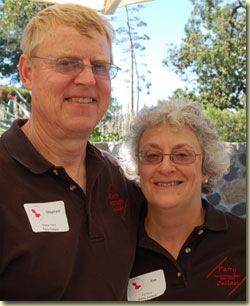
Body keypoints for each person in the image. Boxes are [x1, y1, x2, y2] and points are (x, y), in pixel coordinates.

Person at [0, 4, 144, 301]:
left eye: (100, 66)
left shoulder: (119, 179)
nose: (88, 79)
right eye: (67, 63)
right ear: (27, 72)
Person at [119, 99, 246, 301]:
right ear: (139, 168)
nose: (166, 167)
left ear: (206, 169)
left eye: (182, 155)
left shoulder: (242, 240)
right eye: (152, 155)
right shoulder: (116, 247)